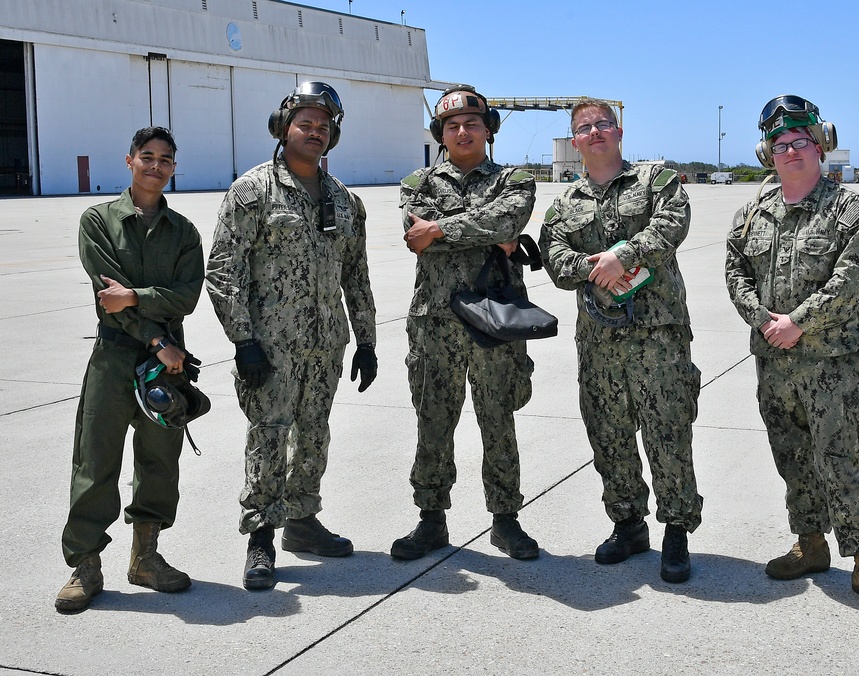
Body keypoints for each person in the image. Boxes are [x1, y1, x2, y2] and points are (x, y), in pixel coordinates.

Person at [724, 94, 859, 610]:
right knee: (792, 458)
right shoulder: (752, 213)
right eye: (780, 144)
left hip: (830, 364)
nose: (791, 151)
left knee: (842, 459)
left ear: (821, 146)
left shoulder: (851, 212)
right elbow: (735, 273)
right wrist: (763, 320)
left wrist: (797, 323)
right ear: (766, 153)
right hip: (773, 363)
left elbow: (850, 281)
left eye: (801, 141)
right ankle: (811, 544)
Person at [206, 82, 377, 590]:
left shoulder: (345, 201)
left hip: (326, 345)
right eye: (305, 123)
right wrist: (243, 341)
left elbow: (357, 274)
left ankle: (301, 521)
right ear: (283, 129)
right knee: (269, 436)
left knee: (314, 435)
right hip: (270, 347)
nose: (315, 132)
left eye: (324, 126)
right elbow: (222, 270)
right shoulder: (252, 191)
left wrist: (366, 340)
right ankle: (261, 535)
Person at [539, 98, 702, 583]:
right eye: (585, 128)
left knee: (668, 431)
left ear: (619, 131)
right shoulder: (565, 204)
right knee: (608, 434)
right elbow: (554, 256)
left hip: (658, 336)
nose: (595, 133)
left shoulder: (656, 180)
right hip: (599, 341)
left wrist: (624, 254)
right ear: (575, 142)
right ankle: (627, 523)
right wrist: (595, 269)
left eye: (602, 125)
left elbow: (672, 223)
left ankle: (676, 528)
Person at [56, 127, 205, 612]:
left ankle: (146, 556)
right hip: (116, 356)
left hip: (168, 365)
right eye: (147, 157)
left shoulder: (184, 232)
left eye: (165, 159)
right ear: (129, 161)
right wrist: (157, 337)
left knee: (159, 460)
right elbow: (107, 300)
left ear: (173, 167)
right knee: (95, 459)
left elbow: (186, 296)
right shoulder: (98, 220)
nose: (156, 166)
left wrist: (136, 297)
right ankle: (85, 565)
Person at [392, 85, 539, 561]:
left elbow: (507, 221)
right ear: (440, 134)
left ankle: (505, 519)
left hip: (495, 323)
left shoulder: (514, 180)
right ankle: (430, 519)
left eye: (471, 123)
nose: (462, 131)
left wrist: (442, 228)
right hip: (435, 323)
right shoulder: (418, 183)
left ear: (488, 129)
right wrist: (482, 230)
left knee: (498, 420)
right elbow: (419, 239)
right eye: (452, 126)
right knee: (433, 421)